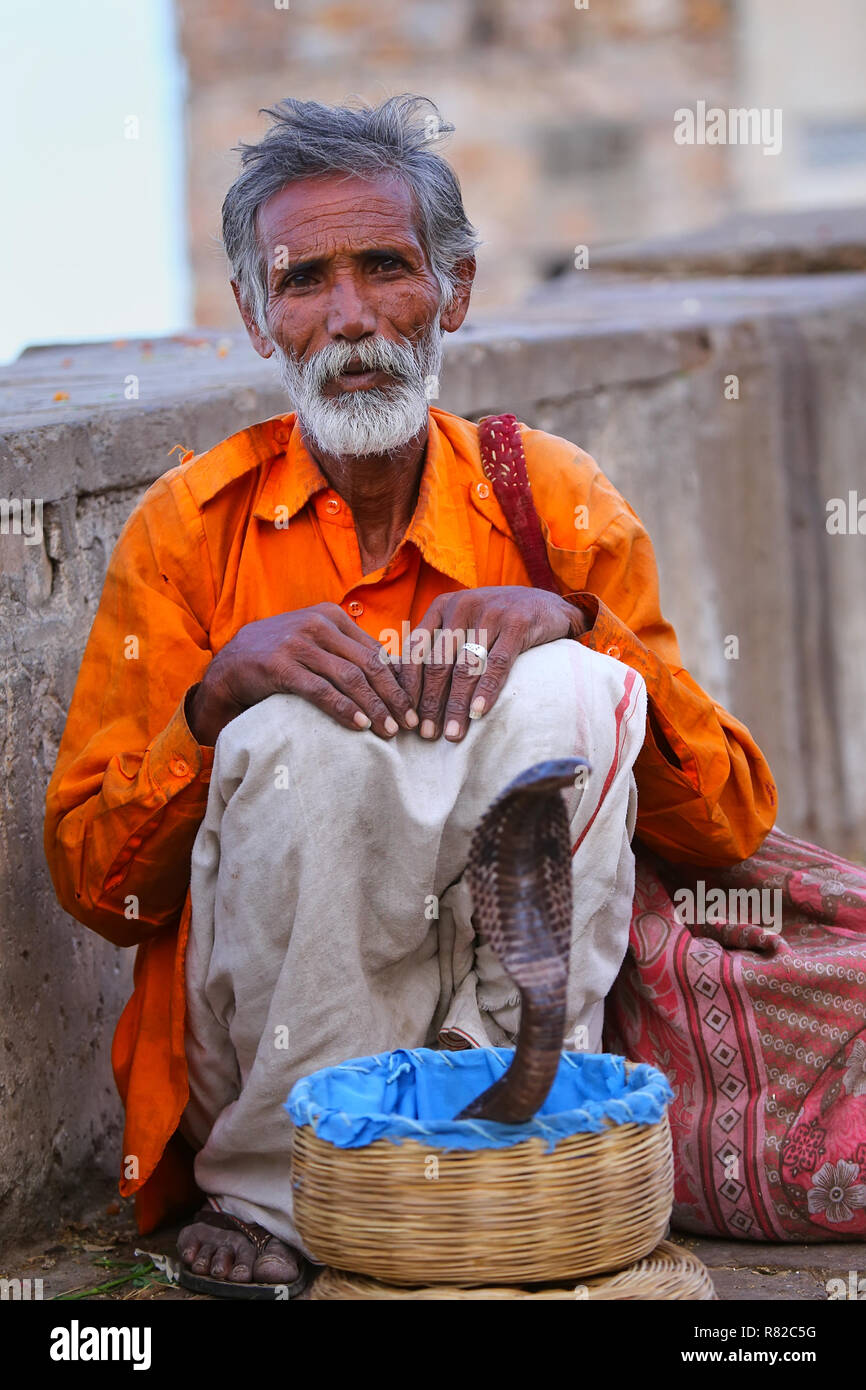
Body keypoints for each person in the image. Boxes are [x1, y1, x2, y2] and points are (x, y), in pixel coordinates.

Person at [44, 94, 776, 1295]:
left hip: (506, 1027)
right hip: (275, 1066)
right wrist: (214, 699)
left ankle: (512, 1127)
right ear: (252, 313)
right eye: (302, 281)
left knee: (572, 687)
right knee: (291, 729)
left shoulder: (551, 499)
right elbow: (98, 885)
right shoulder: (189, 534)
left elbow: (727, 820)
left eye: (383, 267)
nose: (346, 319)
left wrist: (573, 622)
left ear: (454, 289)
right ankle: (282, 1189)